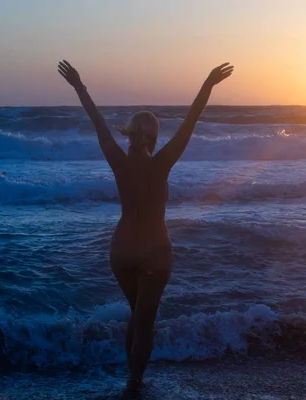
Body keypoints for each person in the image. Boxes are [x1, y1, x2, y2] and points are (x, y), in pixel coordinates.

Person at [57, 60, 234, 390]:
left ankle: (130, 377)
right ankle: (134, 385)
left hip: (121, 251)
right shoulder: (163, 163)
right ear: (154, 136)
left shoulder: (117, 160)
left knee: (137, 316)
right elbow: (190, 122)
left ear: (131, 134)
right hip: (154, 251)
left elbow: (97, 122)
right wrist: (208, 84)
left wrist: (79, 86)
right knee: (144, 323)